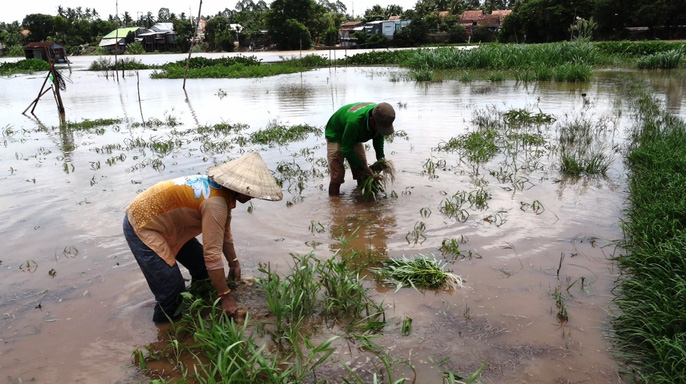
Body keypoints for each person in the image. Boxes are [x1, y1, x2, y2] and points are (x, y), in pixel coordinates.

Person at [123, 152, 282, 323]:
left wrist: (233, 262)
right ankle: (165, 338)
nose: (252, 196)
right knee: (171, 291)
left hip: (170, 223)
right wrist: (226, 296)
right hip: (143, 223)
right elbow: (212, 255)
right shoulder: (216, 203)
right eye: (250, 191)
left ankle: (200, 309)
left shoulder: (221, 192)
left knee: (201, 268)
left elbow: (224, 233)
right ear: (239, 187)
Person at [325, 102, 396, 196]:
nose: (380, 130)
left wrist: (381, 160)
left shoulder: (381, 116)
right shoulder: (354, 123)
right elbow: (346, 150)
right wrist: (365, 167)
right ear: (372, 120)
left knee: (362, 174)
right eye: (380, 128)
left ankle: (361, 204)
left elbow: (378, 139)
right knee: (337, 175)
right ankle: (334, 203)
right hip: (336, 133)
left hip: (353, 134)